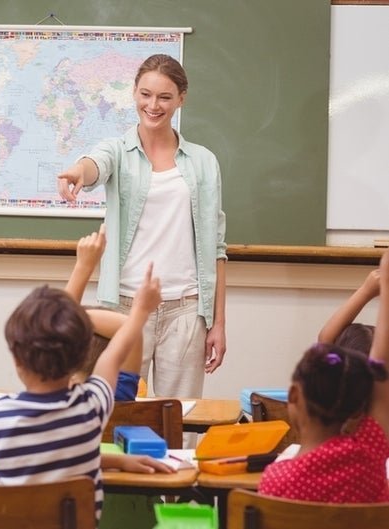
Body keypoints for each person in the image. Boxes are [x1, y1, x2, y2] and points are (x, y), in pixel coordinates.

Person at [57, 54, 227, 414]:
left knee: (177, 418)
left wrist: (217, 323)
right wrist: (77, 170)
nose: (153, 105)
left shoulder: (203, 162)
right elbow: (94, 164)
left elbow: (216, 248)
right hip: (122, 306)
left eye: (165, 97)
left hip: (186, 309)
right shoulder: (118, 151)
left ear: (181, 98)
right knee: (115, 413)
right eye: (145, 94)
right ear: (133, 93)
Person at [0, 263, 162, 522]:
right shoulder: (90, 409)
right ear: (79, 358)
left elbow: (46, 459)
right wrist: (140, 311)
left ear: (16, 360)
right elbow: (111, 358)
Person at [258, 251, 389, 503]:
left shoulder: (275, 480)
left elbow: (326, 342)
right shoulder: (370, 457)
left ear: (294, 395)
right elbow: (381, 367)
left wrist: (368, 289)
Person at [66, 225, 172, 476]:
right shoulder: (117, 391)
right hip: (126, 493)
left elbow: (54, 327)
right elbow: (129, 329)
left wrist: (83, 267)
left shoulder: (54, 399)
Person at [318, 267, 379, 353]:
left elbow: (326, 340)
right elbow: (326, 340)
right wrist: (366, 291)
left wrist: (367, 290)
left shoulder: (336, 364)